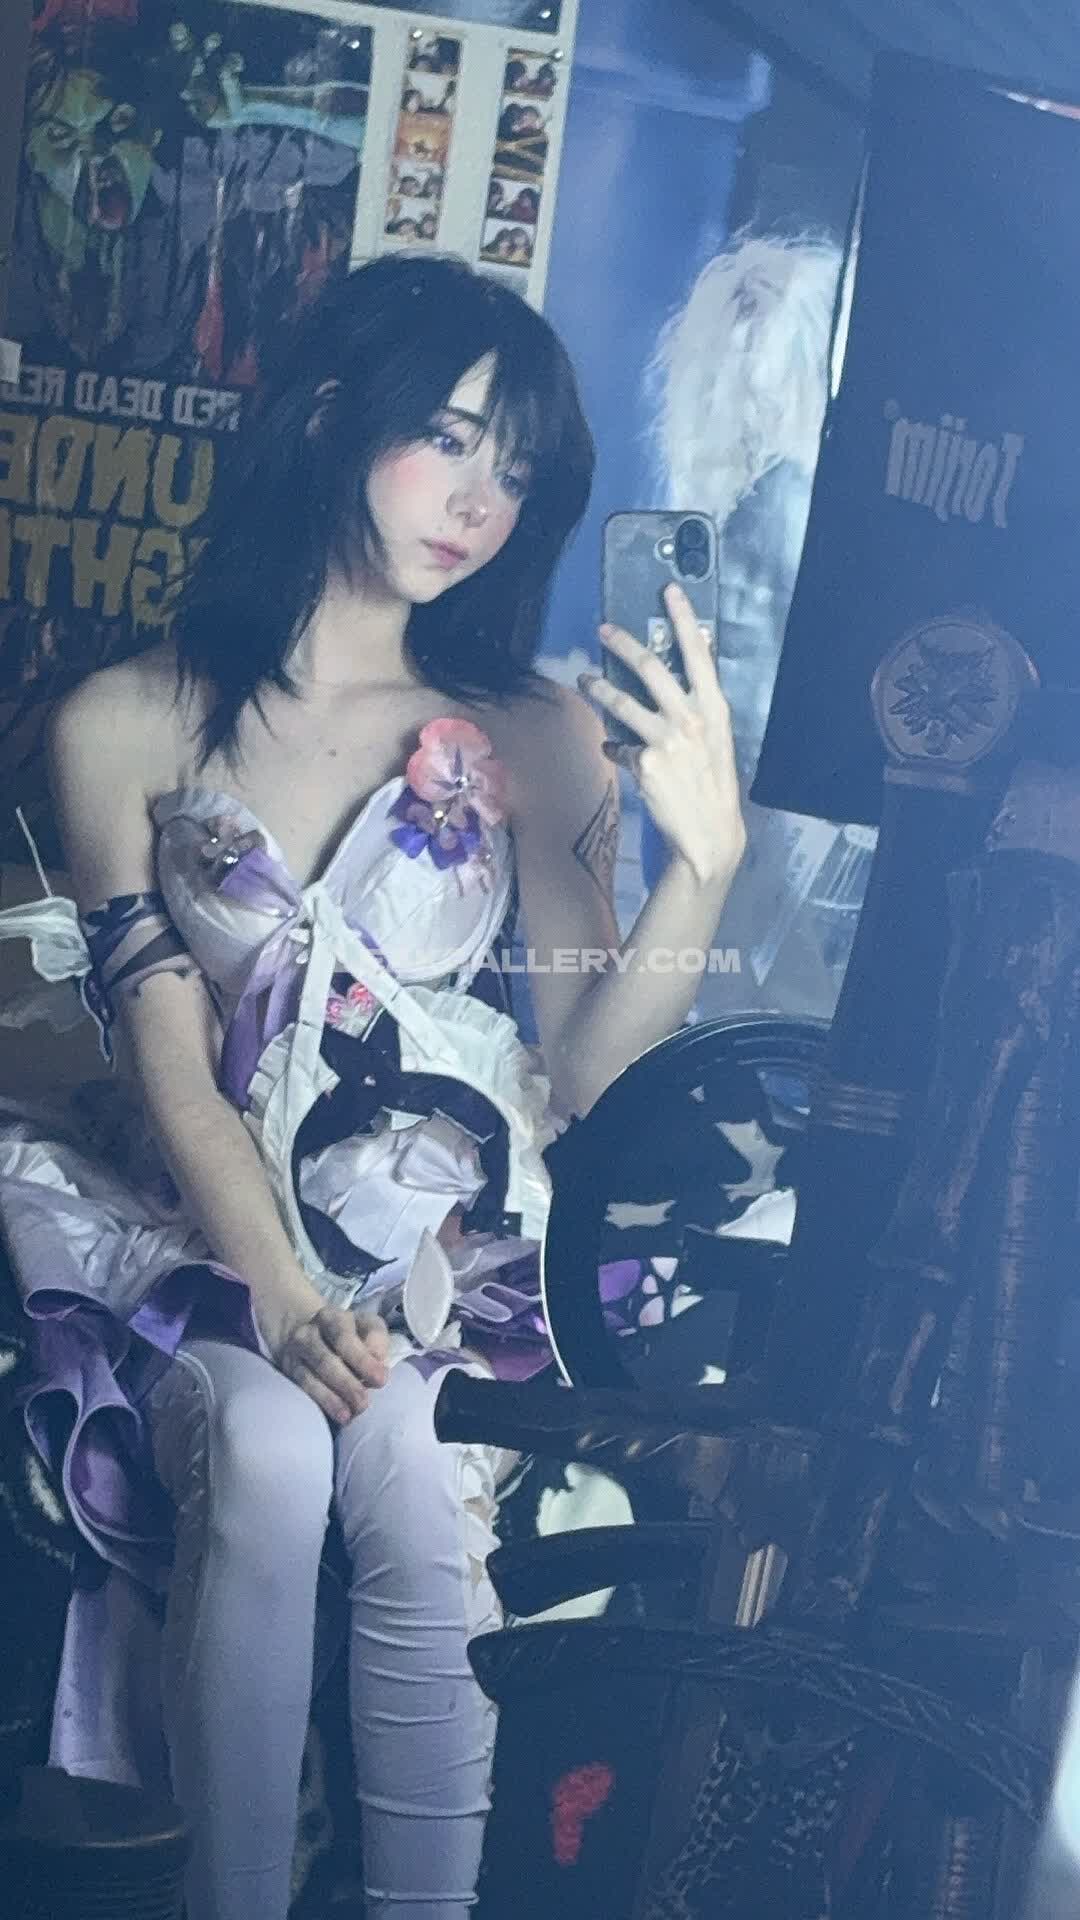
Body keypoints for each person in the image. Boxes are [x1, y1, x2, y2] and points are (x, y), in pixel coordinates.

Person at [0, 254, 745, 1920]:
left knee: (409, 1460)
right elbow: (170, 1057)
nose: (480, 502)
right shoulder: (122, 720)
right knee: (269, 1450)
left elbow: (587, 1064)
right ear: (334, 415)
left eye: (516, 470)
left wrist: (704, 866)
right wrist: (277, 1295)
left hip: (442, 1250)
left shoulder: (534, 729)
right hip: (204, 1231)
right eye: (450, 440)